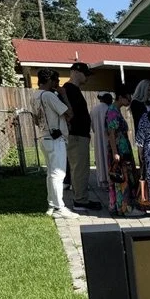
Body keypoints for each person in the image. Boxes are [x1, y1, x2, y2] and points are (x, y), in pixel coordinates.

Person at [31, 68, 79, 219]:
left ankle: (52, 204)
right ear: (50, 80)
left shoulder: (34, 96)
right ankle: (60, 207)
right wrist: (63, 94)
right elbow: (69, 113)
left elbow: (35, 120)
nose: (57, 84)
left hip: (44, 137)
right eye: (56, 81)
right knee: (59, 174)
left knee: (51, 174)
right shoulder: (50, 96)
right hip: (55, 138)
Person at [62, 62, 101, 210]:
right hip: (76, 135)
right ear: (76, 72)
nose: (87, 78)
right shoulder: (68, 90)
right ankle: (80, 200)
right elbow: (67, 113)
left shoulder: (73, 90)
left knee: (81, 167)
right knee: (79, 168)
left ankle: (81, 197)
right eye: (86, 74)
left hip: (80, 135)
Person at [104, 86, 143, 217]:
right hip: (119, 150)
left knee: (122, 178)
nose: (130, 100)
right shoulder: (112, 111)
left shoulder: (116, 111)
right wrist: (115, 152)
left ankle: (119, 206)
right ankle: (125, 208)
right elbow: (111, 133)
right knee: (123, 179)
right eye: (128, 97)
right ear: (120, 97)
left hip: (123, 149)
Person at [131, 79, 150, 207]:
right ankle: (144, 196)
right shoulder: (136, 103)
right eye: (148, 90)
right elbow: (142, 121)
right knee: (144, 168)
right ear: (142, 90)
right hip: (144, 139)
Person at [90, 92, 113, 191]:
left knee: (100, 158)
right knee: (108, 157)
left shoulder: (94, 110)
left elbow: (93, 127)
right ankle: (110, 180)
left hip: (98, 138)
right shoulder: (109, 109)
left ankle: (102, 180)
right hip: (107, 137)